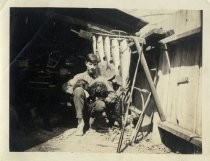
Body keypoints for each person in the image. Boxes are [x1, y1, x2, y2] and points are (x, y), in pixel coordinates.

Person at [65, 53, 117, 136]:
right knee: (78, 90)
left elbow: (113, 94)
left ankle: (94, 121)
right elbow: (66, 87)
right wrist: (78, 91)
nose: (93, 67)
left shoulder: (101, 79)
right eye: (90, 64)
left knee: (100, 104)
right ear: (86, 63)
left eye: (95, 64)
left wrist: (107, 99)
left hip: (93, 107)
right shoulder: (80, 76)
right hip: (80, 106)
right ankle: (80, 123)